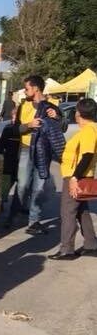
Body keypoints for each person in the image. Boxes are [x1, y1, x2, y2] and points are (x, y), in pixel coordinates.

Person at [6, 75, 64, 234]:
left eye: (27, 88)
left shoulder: (53, 105)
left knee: (39, 188)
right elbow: (14, 129)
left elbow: (62, 127)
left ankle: (34, 221)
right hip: (25, 149)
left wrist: (57, 117)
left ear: (36, 88)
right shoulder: (23, 106)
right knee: (23, 184)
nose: (25, 91)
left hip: (44, 151)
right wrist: (28, 125)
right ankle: (14, 213)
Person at [48, 98, 97, 260]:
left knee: (67, 212)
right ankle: (91, 244)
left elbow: (87, 155)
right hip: (78, 175)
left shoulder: (89, 130)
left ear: (79, 113)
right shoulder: (89, 129)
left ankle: (67, 249)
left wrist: (75, 177)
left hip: (75, 176)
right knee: (81, 211)